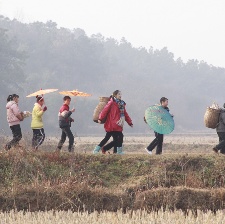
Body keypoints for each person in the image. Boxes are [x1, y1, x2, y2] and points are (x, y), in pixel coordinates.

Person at [95, 90, 133, 154]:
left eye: (121, 94)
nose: (120, 96)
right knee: (108, 138)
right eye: (119, 94)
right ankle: (97, 149)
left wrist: (130, 122)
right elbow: (104, 110)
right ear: (115, 95)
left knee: (118, 138)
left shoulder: (122, 103)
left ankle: (115, 151)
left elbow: (125, 114)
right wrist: (100, 118)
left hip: (118, 124)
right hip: (111, 124)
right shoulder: (111, 102)